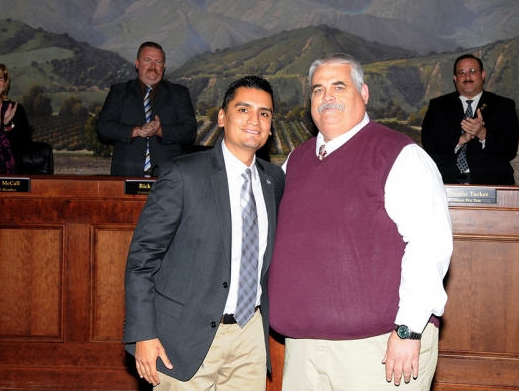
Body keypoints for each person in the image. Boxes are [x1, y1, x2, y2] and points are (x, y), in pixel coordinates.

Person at [268, 53, 453, 390]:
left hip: (379, 348)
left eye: (339, 87)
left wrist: (408, 329)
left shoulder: (398, 154)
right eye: (318, 90)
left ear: (363, 93)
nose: (327, 97)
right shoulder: (295, 161)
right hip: (303, 347)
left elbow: (430, 245)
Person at [123, 75, 285, 390]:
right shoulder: (183, 175)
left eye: (264, 113)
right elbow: (142, 259)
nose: (255, 120)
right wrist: (143, 333)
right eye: (243, 110)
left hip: (249, 336)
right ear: (222, 117)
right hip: (183, 339)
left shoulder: (273, 180)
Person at [97, 41, 197, 177]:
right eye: (147, 60)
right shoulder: (119, 92)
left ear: (164, 66)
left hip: (168, 178)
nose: (153, 66)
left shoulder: (179, 93)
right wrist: (136, 131)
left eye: (158, 62)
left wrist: (161, 131)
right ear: (137, 64)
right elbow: (104, 128)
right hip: (125, 175)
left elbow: (189, 131)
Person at [421, 54, 519, 185]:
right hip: (445, 183)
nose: (467, 77)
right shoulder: (438, 106)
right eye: (462, 73)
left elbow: (510, 149)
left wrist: (482, 133)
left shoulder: (503, 105)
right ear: (455, 78)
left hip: (492, 183)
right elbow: (429, 143)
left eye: (473, 71)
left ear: (483, 75)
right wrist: (461, 139)